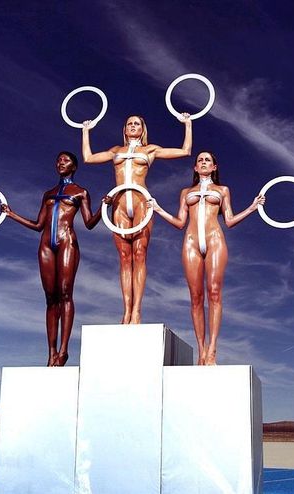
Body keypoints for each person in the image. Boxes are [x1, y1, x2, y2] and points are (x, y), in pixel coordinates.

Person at [152, 151, 265, 365]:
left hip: (215, 240)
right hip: (191, 242)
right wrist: (157, 209)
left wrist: (252, 208)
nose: (203, 162)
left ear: (214, 167)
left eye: (207, 160)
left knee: (214, 292)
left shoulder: (223, 190)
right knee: (196, 297)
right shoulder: (186, 192)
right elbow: (180, 223)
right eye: (200, 160)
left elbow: (229, 221)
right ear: (195, 168)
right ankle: (201, 351)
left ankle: (212, 349)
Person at [82, 114, 192, 324]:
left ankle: (137, 312)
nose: (133, 126)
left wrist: (188, 124)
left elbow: (185, 151)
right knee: (125, 257)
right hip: (120, 204)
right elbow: (88, 157)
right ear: (124, 129)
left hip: (141, 202)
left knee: (139, 255)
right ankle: (126, 311)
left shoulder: (150, 150)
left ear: (143, 129)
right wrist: (86, 130)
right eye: (129, 124)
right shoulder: (116, 150)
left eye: (137, 124)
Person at [1, 151, 105, 366]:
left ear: (74, 166)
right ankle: (51, 353)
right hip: (46, 245)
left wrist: (105, 206)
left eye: (65, 160)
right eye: (58, 160)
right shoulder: (47, 193)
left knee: (65, 293)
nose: (60, 163)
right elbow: (38, 225)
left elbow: (89, 223)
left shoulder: (81, 192)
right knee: (50, 298)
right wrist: (11, 214)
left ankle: (64, 351)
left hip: (67, 242)